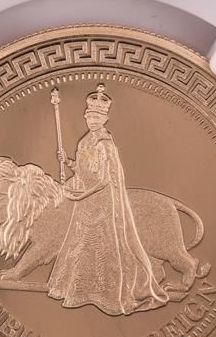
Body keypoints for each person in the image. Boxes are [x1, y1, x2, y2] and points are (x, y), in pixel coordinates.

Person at [47, 85, 168, 315]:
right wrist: (68, 162)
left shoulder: (105, 145)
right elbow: (84, 170)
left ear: (105, 119)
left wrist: (82, 195)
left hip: (101, 202)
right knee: (83, 244)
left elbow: (104, 180)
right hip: (86, 202)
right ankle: (82, 290)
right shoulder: (85, 141)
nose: (92, 121)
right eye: (89, 116)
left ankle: (108, 294)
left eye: (97, 117)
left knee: (103, 245)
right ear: (85, 117)